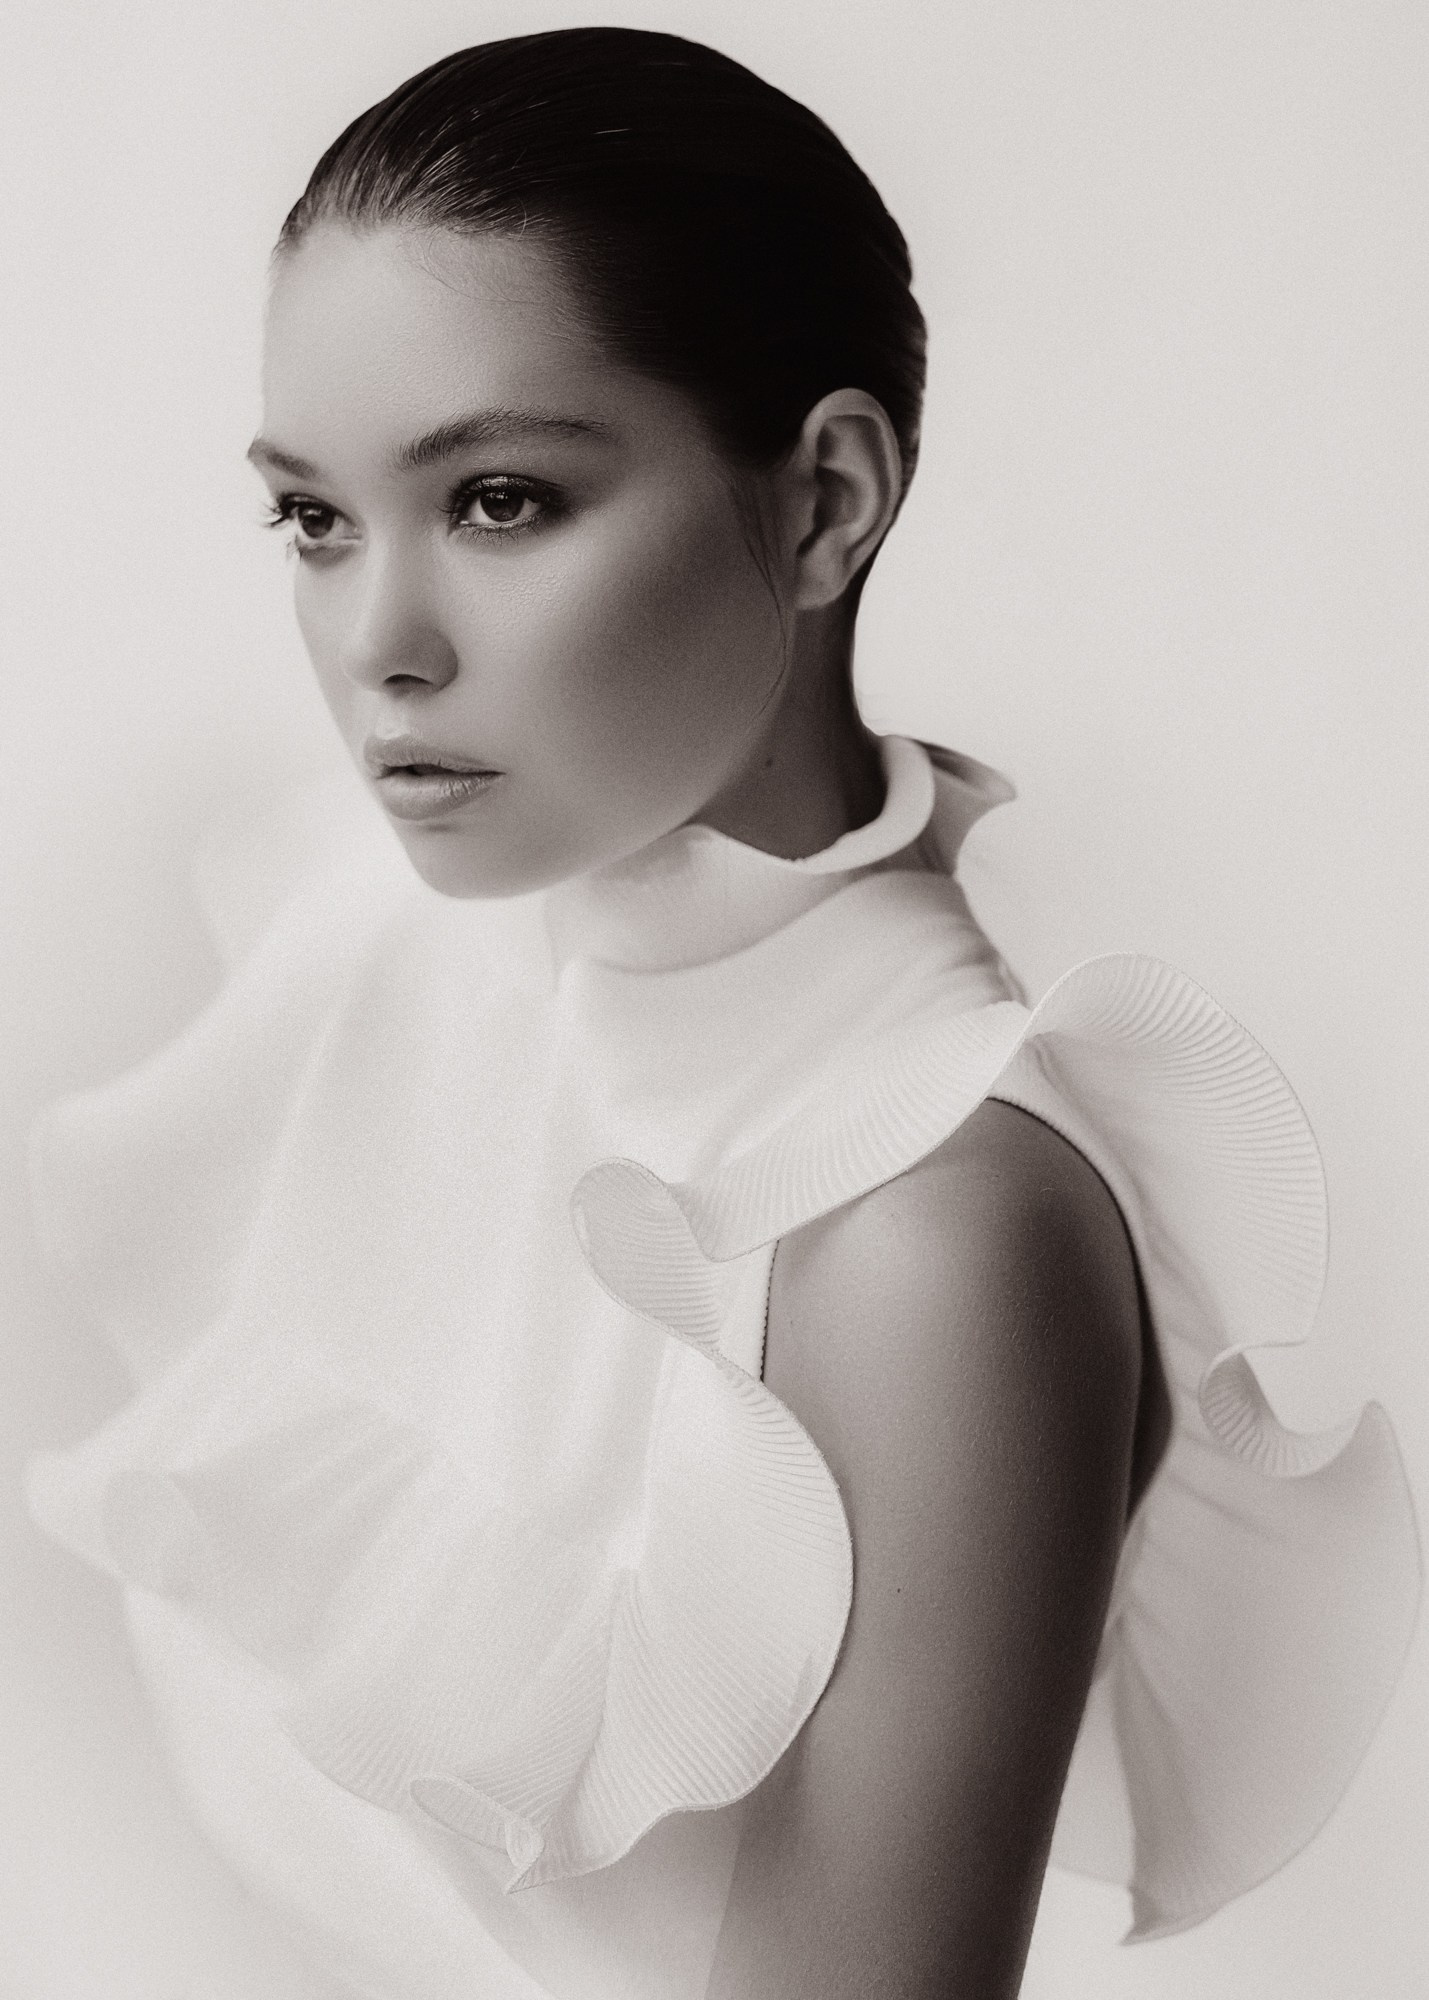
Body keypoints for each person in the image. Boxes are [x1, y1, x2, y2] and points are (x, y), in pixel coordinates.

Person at [24, 27, 1419, 2000]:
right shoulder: (393, 955)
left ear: (827, 499)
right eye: (314, 520)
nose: (377, 646)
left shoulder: (931, 1227)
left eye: (499, 499)